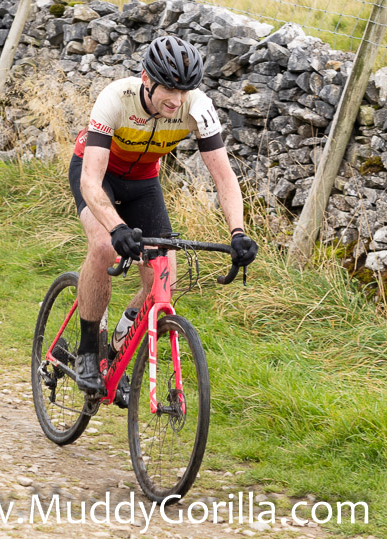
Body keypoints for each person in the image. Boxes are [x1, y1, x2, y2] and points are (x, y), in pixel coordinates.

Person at [69, 36, 258, 396]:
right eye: (169, 89)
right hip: (99, 174)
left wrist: (238, 231)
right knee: (104, 246)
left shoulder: (198, 108)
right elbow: (90, 180)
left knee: (163, 280)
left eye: (185, 90)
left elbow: (224, 176)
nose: (177, 100)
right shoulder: (116, 98)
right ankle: (88, 351)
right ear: (146, 79)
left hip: (143, 183)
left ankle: (115, 354)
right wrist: (117, 227)